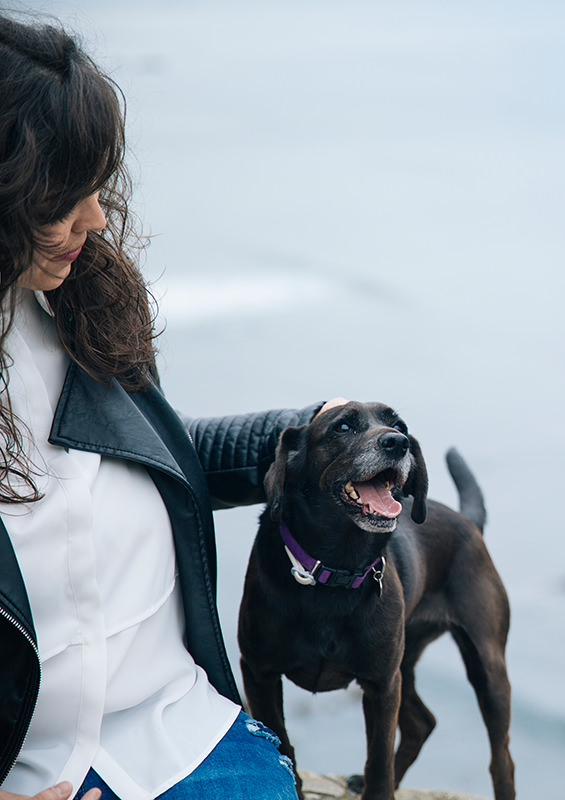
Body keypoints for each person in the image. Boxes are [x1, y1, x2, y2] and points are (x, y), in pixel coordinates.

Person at [0, 13, 344, 800]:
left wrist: (304, 435)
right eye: (62, 194)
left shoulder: (78, 303)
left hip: (184, 736)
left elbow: (135, 460)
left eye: (95, 183)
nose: (94, 217)